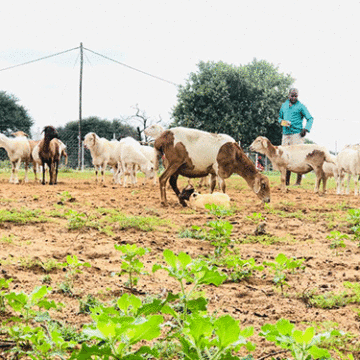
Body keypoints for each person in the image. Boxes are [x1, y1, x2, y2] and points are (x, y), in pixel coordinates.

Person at [278, 88, 314, 185]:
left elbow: (310, 118)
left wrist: (305, 129)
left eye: (295, 96)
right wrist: (282, 122)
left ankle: (298, 182)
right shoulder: (284, 106)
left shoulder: (301, 106)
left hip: (297, 134)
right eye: (292, 95)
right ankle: (286, 181)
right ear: (288, 95)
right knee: (285, 157)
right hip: (285, 134)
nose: (293, 98)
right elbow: (279, 118)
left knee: (298, 157)